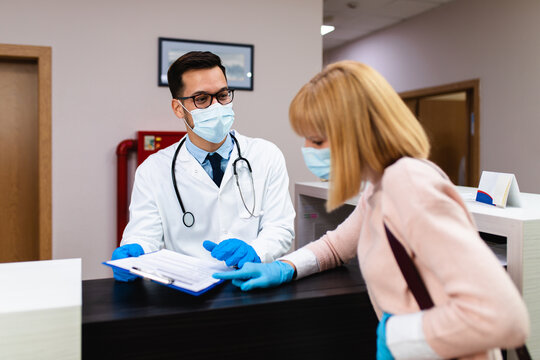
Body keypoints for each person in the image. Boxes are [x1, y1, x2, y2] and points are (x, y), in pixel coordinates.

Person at [213, 61, 529, 359]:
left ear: (358, 133)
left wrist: (396, 336)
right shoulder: (378, 186)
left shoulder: (409, 182)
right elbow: (335, 247)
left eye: (318, 140)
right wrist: (283, 267)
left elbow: (504, 317)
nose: (307, 150)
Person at [111, 51, 295, 281]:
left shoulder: (266, 155)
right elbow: (144, 235)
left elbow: (280, 228)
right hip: (185, 293)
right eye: (201, 99)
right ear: (178, 108)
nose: (216, 106)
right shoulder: (153, 170)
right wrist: (135, 251)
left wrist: (256, 252)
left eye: (222, 95)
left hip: (252, 283)